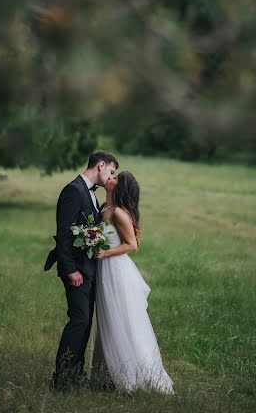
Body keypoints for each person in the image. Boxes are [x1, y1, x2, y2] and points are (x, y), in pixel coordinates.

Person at [91, 171, 174, 394]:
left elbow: (132, 245)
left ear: (119, 187)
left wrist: (105, 254)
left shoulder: (119, 212)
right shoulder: (103, 208)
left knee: (122, 317)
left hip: (116, 270)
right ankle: (105, 375)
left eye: (115, 177)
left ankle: (132, 375)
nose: (111, 178)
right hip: (104, 269)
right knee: (107, 318)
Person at [44, 150, 119, 389]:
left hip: (89, 269)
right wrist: (69, 270)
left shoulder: (91, 194)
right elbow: (64, 233)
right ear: (100, 165)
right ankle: (62, 379)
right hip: (76, 271)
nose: (111, 176)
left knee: (85, 323)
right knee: (79, 321)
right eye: (111, 170)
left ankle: (75, 376)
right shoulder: (73, 191)